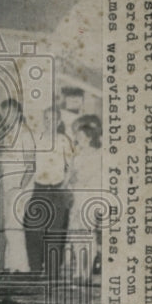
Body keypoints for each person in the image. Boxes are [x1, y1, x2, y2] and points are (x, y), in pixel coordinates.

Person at [25, 105, 74, 273]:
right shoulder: (36, 139)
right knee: (33, 229)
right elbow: (30, 166)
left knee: (54, 232)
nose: (49, 122)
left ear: (59, 121)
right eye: (46, 119)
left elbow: (70, 167)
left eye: (53, 119)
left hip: (57, 190)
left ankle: (52, 272)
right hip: (39, 189)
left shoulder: (63, 140)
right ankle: (35, 268)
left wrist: (63, 186)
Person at [0, 97, 34, 273]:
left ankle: (22, 266)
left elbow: (31, 165)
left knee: (14, 226)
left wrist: (20, 186)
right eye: (3, 114)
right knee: (9, 226)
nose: (5, 117)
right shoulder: (7, 135)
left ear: (17, 113)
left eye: (8, 114)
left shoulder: (25, 134)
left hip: (20, 186)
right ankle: (10, 264)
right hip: (7, 185)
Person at [66, 118, 102, 281]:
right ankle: (78, 269)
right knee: (75, 234)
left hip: (90, 197)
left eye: (79, 135)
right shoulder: (77, 154)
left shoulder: (97, 154)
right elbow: (70, 174)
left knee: (88, 234)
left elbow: (84, 176)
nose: (76, 137)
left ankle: (87, 271)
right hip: (77, 197)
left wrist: (75, 176)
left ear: (88, 137)